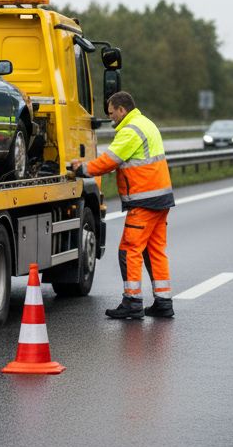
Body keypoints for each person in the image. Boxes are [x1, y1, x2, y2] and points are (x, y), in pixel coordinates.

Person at [68, 91, 175, 320]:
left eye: (111, 113)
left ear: (121, 110)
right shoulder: (146, 123)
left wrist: (81, 170)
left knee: (129, 250)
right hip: (160, 199)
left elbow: (109, 162)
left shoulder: (130, 130)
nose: (111, 119)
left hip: (143, 200)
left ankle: (132, 302)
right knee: (155, 250)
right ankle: (164, 303)